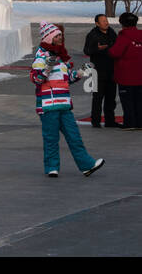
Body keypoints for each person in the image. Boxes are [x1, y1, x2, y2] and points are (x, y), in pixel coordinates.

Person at [30, 22, 104, 177]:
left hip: (63, 104)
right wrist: (47, 68)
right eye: (57, 36)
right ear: (50, 38)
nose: (60, 38)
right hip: (48, 105)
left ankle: (87, 165)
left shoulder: (61, 57)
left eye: (60, 35)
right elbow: (36, 79)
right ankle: (52, 168)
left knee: (74, 136)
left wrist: (80, 73)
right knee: (51, 139)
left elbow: (66, 79)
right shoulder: (41, 55)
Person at [83, 13, 119, 127]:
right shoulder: (92, 35)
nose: (106, 22)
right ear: (97, 23)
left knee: (111, 98)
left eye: (106, 20)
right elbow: (87, 50)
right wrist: (97, 49)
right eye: (103, 21)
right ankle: (96, 121)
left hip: (111, 70)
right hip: (97, 71)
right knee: (97, 98)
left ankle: (110, 121)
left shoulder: (112, 32)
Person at [109, 12, 142, 129]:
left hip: (126, 75)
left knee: (128, 101)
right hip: (140, 75)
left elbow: (114, 52)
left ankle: (130, 123)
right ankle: (139, 123)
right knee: (139, 101)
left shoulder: (124, 36)